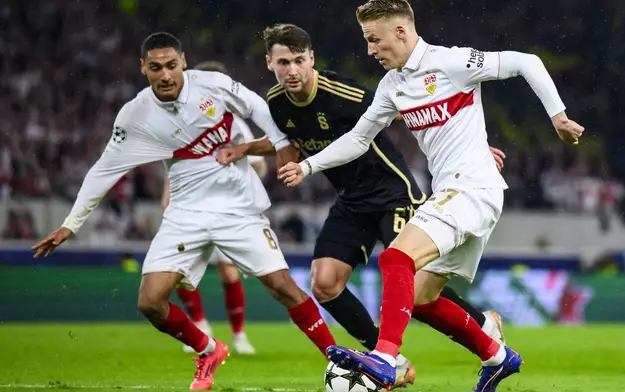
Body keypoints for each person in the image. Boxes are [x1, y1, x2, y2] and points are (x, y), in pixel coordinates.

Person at [278, 1, 584, 390]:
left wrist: (557, 116)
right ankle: (497, 356)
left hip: (473, 189)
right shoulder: (392, 86)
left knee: (395, 258)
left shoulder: (452, 63)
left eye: (375, 40)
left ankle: (384, 359)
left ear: (402, 32)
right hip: (457, 192)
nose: (370, 50)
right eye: (367, 41)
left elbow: (527, 62)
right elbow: (358, 139)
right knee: (421, 298)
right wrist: (307, 167)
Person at [32, 32, 336, 391]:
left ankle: (339, 360)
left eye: (172, 66)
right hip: (185, 214)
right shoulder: (135, 116)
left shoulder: (213, 86)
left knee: (283, 287)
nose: (165, 75)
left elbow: (255, 105)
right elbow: (104, 170)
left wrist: (282, 143)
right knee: (150, 302)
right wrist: (71, 224)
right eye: (156, 68)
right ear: (143, 68)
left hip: (236, 210)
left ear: (184, 62)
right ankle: (209, 348)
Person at [218, 23, 508, 388]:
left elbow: (408, 107)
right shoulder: (276, 102)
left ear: (311, 59)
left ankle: (483, 324)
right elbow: (285, 139)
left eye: (297, 61)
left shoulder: (341, 92)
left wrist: (473, 145)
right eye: (282, 62)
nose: (291, 70)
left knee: (415, 279)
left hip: (391, 193)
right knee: (324, 284)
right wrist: (246, 148)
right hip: (351, 200)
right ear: (269, 63)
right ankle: (388, 360)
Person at [162, 60, 264, 356]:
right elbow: (173, 164)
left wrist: (246, 181)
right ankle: (200, 324)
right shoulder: (180, 120)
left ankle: (239, 335)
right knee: (181, 271)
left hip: (225, 210)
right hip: (190, 208)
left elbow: (257, 163)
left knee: (229, 274)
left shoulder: (233, 122)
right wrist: (168, 193)